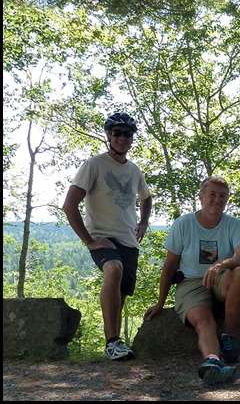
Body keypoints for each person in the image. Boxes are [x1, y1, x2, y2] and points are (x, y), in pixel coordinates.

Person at [62, 111, 152, 361]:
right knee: (113, 268)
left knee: (120, 295)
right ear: (109, 136)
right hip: (103, 237)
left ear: (133, 138)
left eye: (128, 134)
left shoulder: (134, 170)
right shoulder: (94, 165)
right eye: (117, 133)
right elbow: (70, 205)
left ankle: (114, 345)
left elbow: (146, 197)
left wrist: (143, 222)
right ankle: (112, 341)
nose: (123, 138)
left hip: (129, 241)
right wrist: (89, 241)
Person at [144, 175, 240, 386]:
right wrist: (161, 302)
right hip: (191, 283)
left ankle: (228, 337)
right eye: (211, 195)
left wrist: (220, 264)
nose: (217, 200)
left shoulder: (234, 225)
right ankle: (212, 361)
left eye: (222, 196)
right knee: (204, 321)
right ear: (201, 197)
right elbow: (169, 266)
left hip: (221, 279)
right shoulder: (183, 224)